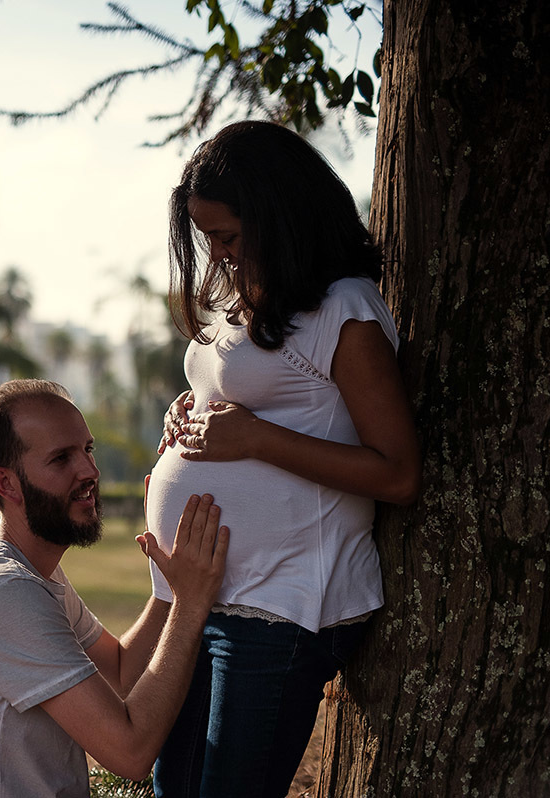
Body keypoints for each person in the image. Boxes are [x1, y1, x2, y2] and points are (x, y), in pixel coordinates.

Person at [146, 120, 421, 798]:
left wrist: (255, 442)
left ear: (278, 214)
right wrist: (189, 408)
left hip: (284, 606)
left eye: (229, 236)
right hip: (202, 597)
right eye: (207, 238)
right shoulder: (244, 299)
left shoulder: (343, 308)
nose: (219, 254)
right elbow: (251, 397)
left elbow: (398, 472)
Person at [0, 379, 230, 796]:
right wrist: (189, 605)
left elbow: (121, 671)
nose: (90, 472)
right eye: (62, 459)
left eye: (88, 450)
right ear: (6, 484)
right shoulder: (1, 591)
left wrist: (169, 586)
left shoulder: (33, 574)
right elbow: (131, 752)